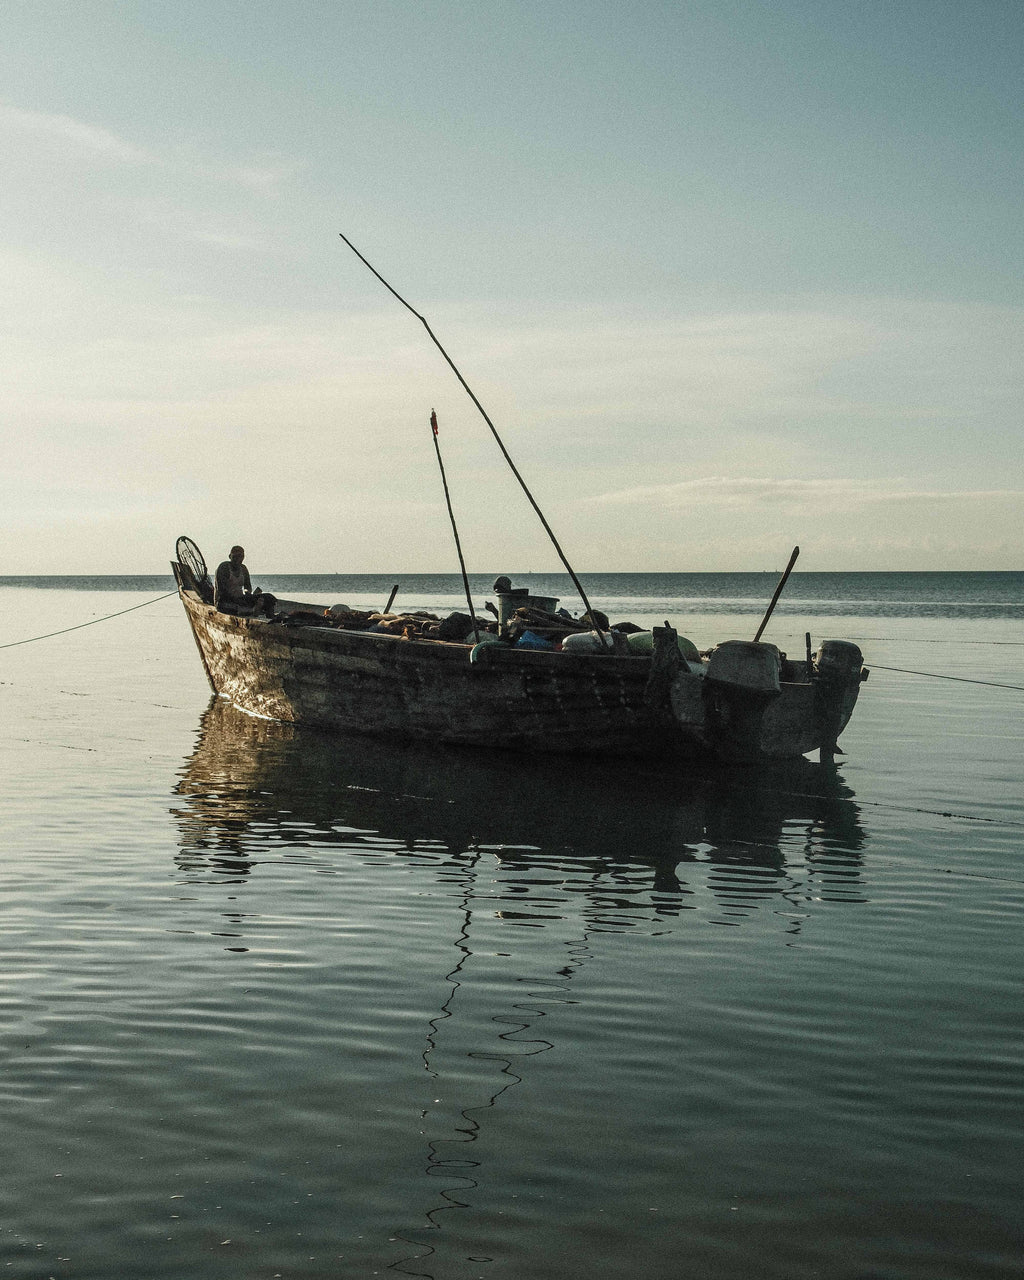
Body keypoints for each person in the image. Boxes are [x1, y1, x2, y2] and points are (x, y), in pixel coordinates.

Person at [214, 546, 275, 616]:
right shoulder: (224, 567)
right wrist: (239, 600)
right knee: (232, 606)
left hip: (240, 598)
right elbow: (222, 592)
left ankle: (270, 618)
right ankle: (252, 611)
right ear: (230, 556)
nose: (238, 559)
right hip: (224, 601)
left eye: (240, 556)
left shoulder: (243, 568)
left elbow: (248, 586)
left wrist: (247, 593)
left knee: (269, 597)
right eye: (235, 557)